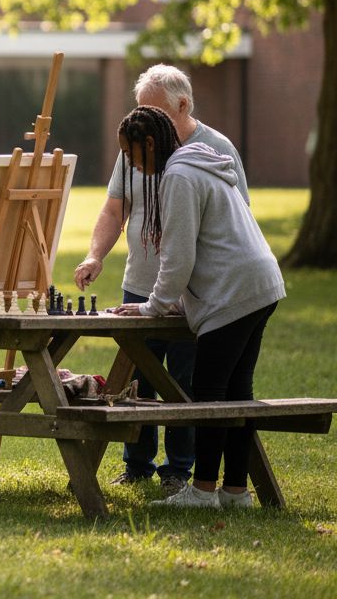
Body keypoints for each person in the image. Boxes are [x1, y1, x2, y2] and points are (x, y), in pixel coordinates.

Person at [73, 64, 249, 496]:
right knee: (137, 377)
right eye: (138, 109)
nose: (142, 119)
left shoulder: (215, 148)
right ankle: (136, 462)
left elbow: (236, 214)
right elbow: (114, 207)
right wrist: (95, 255)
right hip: (140, 282)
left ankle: (179, 468)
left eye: (152, 110)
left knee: (185, 381)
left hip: (192, 290)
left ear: (183, 105)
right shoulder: (135, 142)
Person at [109, 106, 284, 509]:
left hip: (234, 291)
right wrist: (174, 305)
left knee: (209, 392)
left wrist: (153, 307)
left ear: (150, 143)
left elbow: (179, 257)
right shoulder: (199, 164)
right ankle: (235, 492)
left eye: (132, 154)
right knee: (237, 392)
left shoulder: (180, 176)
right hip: (261, 284)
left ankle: (203, 490)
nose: (131, 164)